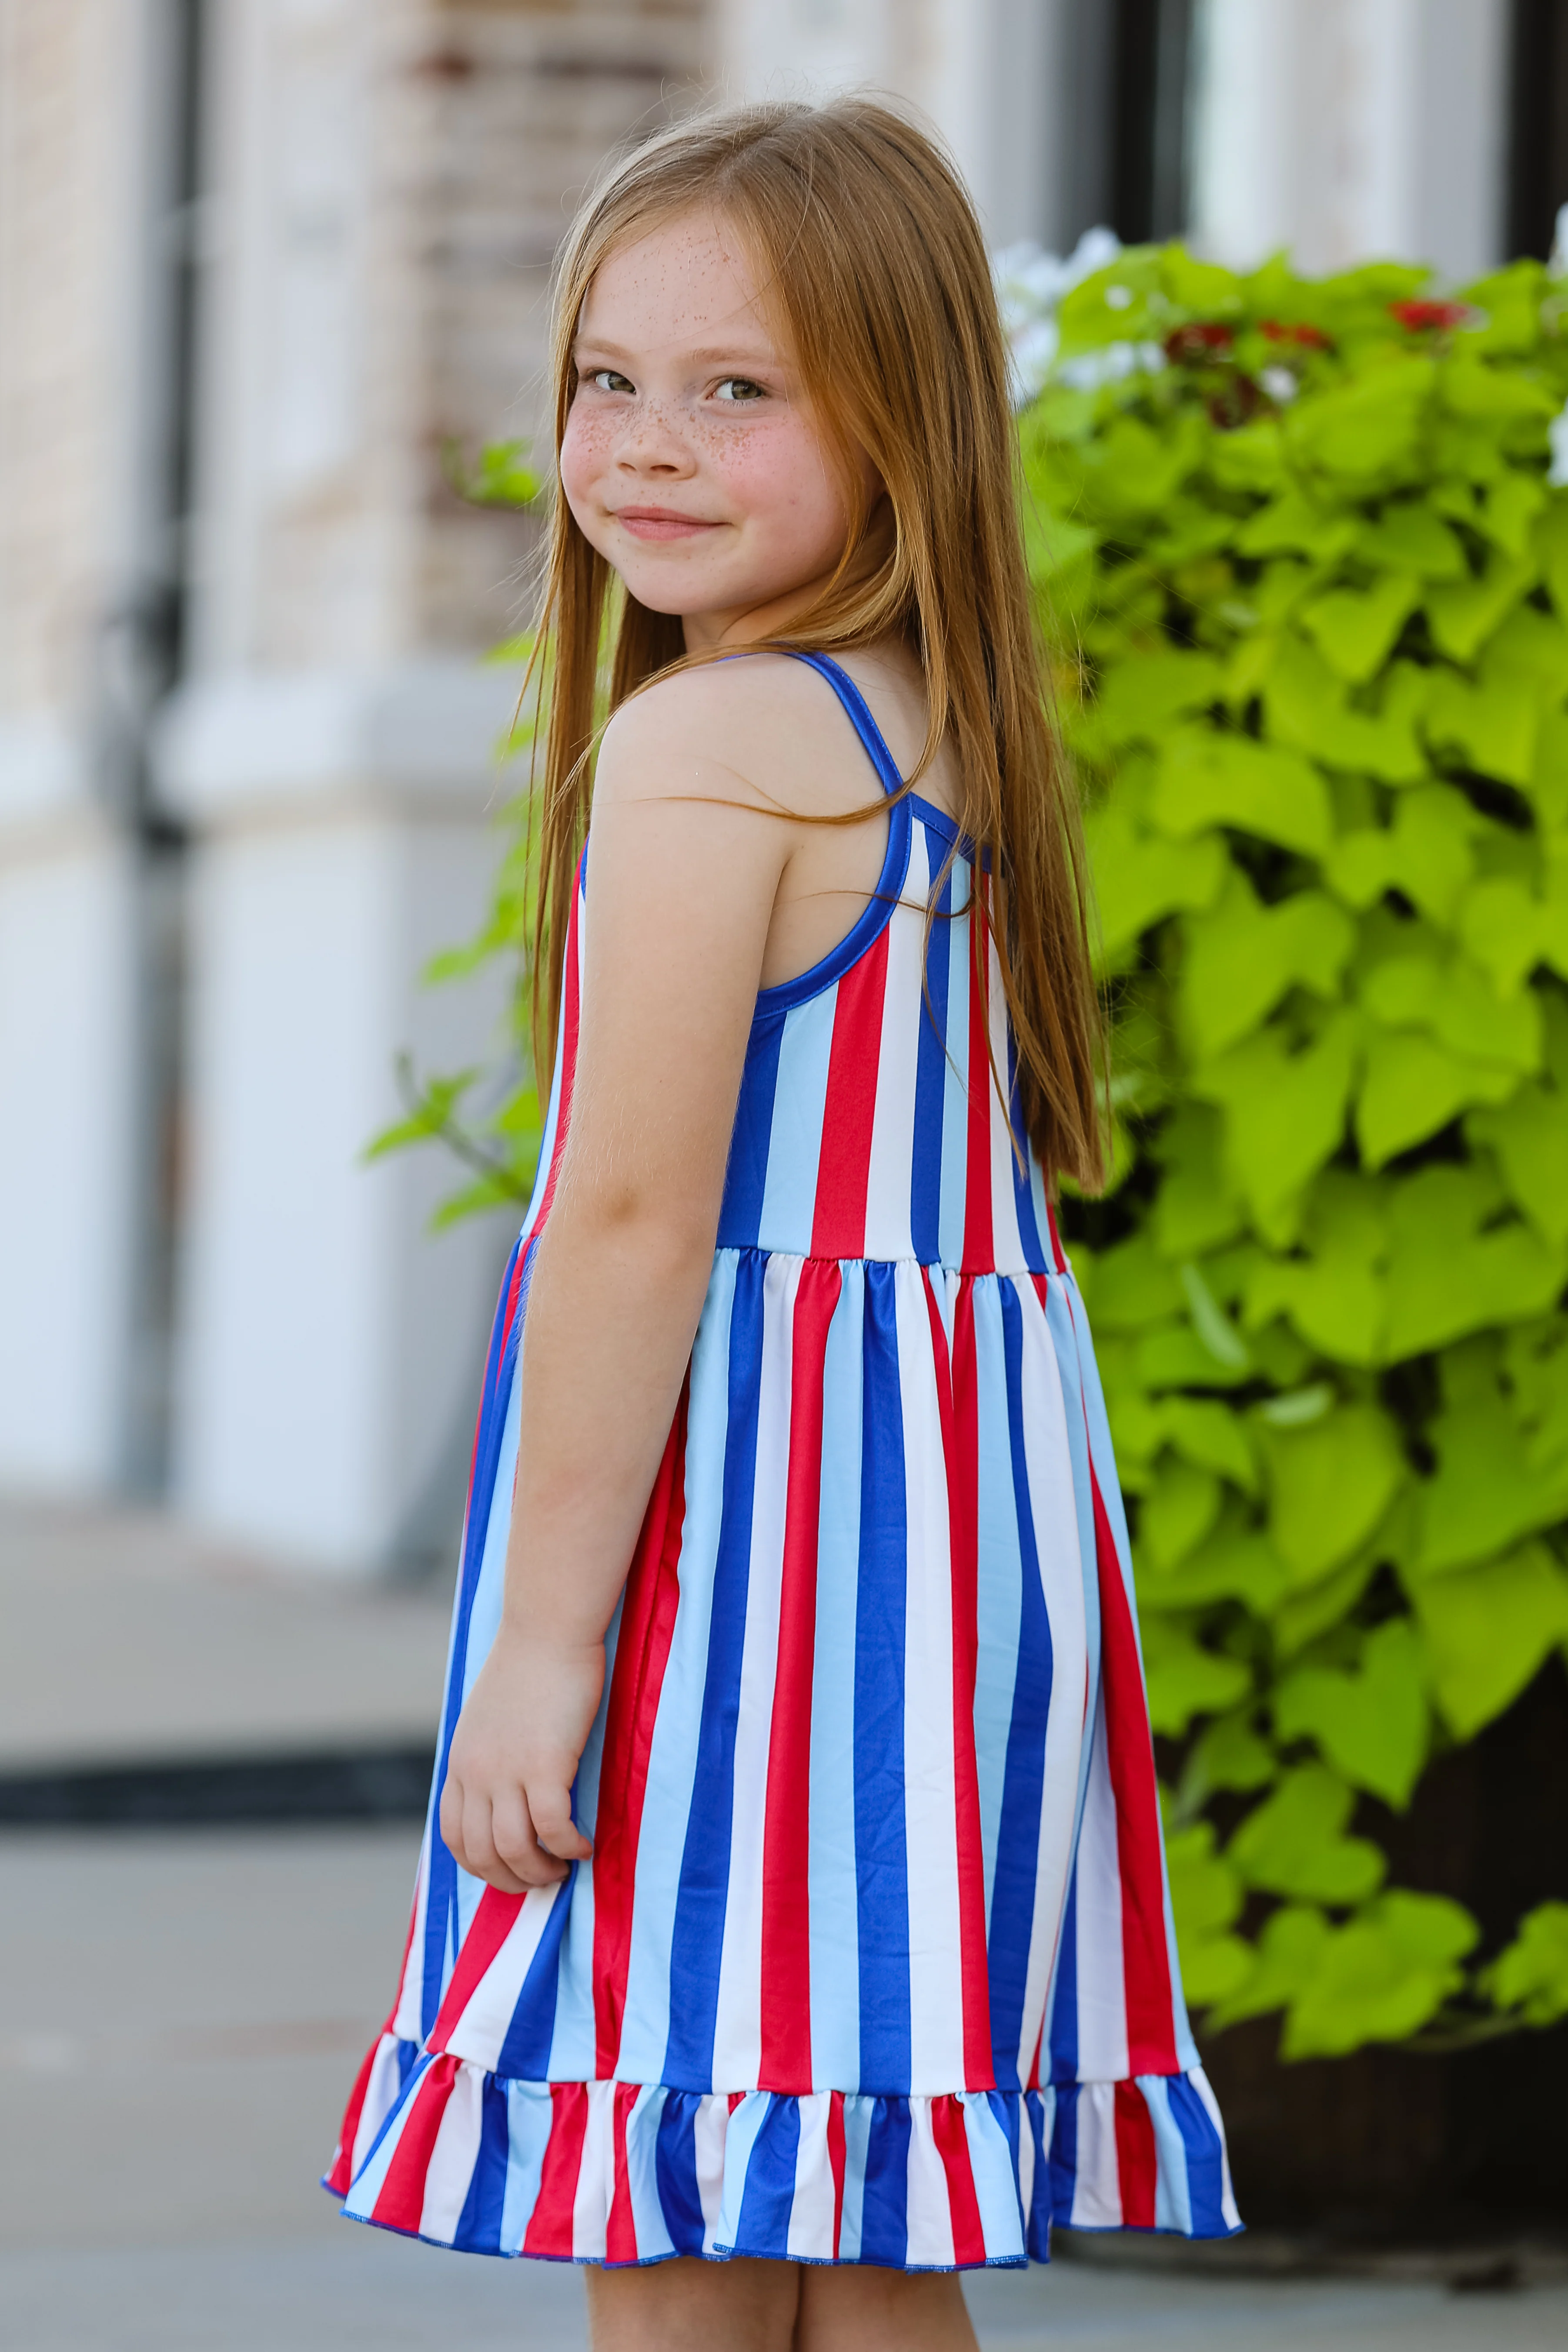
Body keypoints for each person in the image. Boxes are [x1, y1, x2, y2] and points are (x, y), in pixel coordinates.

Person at [325, 97, 1239, 2352]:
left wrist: (548, 1647)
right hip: (948, 1563)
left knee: (682, 2189)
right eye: (606, 380)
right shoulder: (941, 727)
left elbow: (636, 1217)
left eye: (737, 391)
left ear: (899, 422)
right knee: (845, 2207)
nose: (644, 445)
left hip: (760, 1564)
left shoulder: (713, 745)